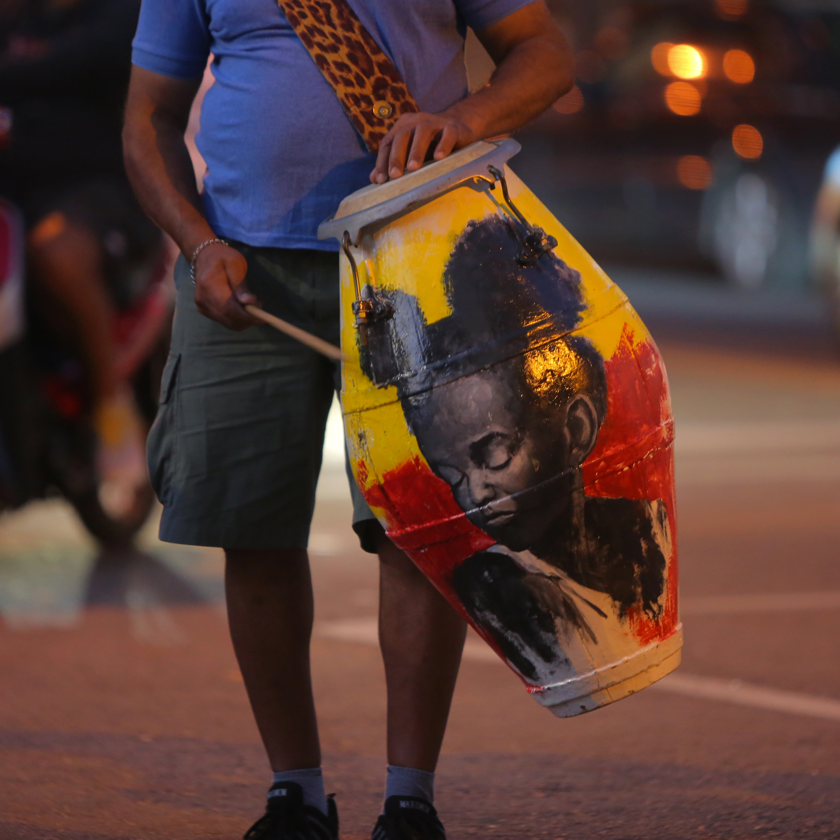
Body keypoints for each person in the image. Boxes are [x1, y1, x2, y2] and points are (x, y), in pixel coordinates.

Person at [122, 1, 573, 837]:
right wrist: (196, 244)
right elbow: (146, 116)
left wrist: (461, 120)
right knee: (251, 532)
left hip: (417, 256)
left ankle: (411, 802)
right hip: (241, 270)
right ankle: (294, 794)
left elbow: (544, 52)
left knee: (419, 533)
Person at [358, 215, 669, 686]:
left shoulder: (646, 527)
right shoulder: (495, 586)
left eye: (494, 455)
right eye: (452, 475)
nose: (475, 493)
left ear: (576, 429)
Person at [0, 0, 160, 513]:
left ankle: (110, 405)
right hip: (4, 193)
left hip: (95, 189)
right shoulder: (3, 24)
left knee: (54, 254)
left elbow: (83, 59)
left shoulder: (118, 16)